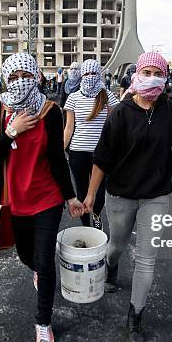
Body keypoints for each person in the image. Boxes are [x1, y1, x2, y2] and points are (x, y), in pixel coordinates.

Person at [83, 52, 172, 342]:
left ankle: (135, 316)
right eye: (146, 71)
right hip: (121, 194)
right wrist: (90, 195)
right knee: (117, 245)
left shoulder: (170, 112)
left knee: (146, 259)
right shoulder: (121, 114)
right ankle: (112, 266)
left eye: (157, 72)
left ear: (165, 77)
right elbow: (101, 159)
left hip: (156, 195)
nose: (151, 76)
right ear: (137, 74)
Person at [0, 53, 85, 342]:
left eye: (25, 76)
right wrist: (12, 132)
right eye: (13, 77)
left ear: (36, 76)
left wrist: (70, 196)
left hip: (46, 197)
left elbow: (56, 158)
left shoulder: (50, 111)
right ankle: (39, 271)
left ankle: (43, 323)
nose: (19, 83)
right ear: (5, 80)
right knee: (26, 255)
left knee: (44, 261)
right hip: (13, 200)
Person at [63, 59, 119, 229]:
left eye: (93, 73)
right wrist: (59, 150)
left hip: (100, 153)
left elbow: (113, 125)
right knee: (81, 190)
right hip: (77, 151)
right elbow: (69, 128)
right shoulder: (73, 97)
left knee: (100, 191)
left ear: (99, 74)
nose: (89, 77)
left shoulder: (106, 95)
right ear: (81, 74)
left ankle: (96, 215)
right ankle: (86, 224)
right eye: (86, 73)